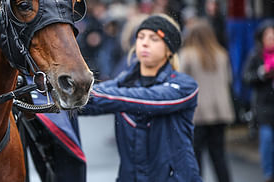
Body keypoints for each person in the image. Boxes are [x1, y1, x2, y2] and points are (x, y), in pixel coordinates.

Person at [81, 14, 201, 182]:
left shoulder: (185, 86)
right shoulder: (123, 84)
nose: (144, 43)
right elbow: (81, 103)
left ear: (169, 49)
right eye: (140, 37)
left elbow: (149, 99)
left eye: (154, 39)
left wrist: (88, 94)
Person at [180, 19, 235, 182]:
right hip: (220, 111)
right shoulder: (221, 54)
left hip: (197, 112)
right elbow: (229, 79)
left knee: (195, 156)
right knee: (219, 155)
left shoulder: (187, 55)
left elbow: (182, 83)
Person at [242, 19, 274, 182]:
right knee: (267, 140)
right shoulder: (256, 56)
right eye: (268, 36)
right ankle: (269, 174)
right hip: (264, 106)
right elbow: (246, 77)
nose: (271, 39)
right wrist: (262, 73)